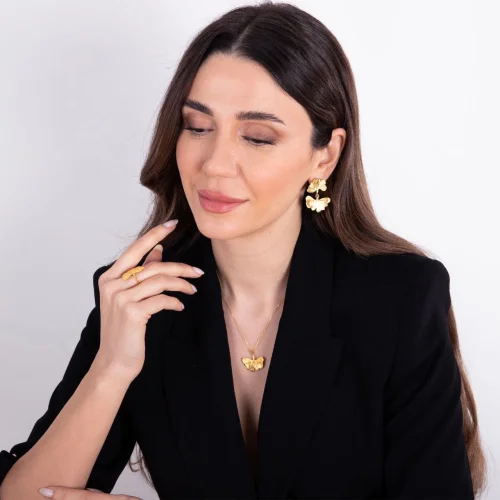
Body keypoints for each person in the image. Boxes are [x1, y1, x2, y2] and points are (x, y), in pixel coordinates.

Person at [0, 2, 487, 499]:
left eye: (257, 137)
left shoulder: (400, 298)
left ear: (325, 155)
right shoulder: (138, 298)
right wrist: (111, 368)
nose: (215, 164)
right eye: (197, 126)